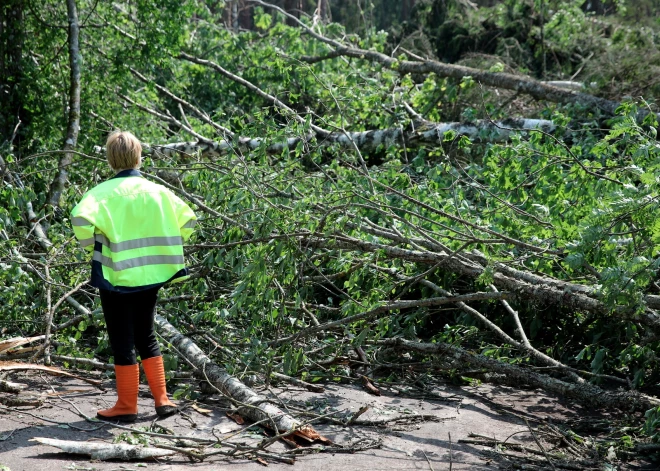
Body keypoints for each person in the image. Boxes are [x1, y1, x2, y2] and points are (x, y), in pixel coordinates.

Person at [70, 131, 197, 422]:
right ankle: (162, 400)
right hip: (152, 274)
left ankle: (127, 405)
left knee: (121, 339)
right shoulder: (158, 191)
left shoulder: (100, 193)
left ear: (110, 159)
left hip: (115, 275)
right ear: (139, 157)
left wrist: (93, 246)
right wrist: (166, 245)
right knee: (146, 334)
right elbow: (189, 219)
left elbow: (79, 219)